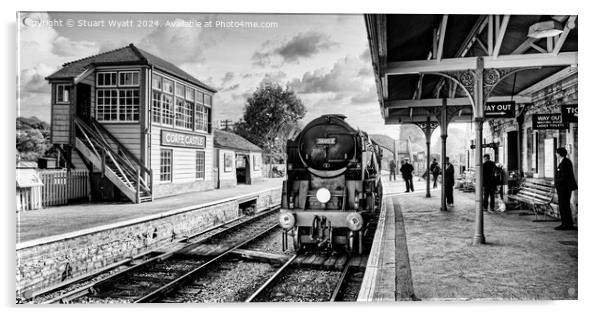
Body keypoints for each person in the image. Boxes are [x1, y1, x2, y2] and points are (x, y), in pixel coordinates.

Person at [554, 147, 577, 230]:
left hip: (564, 188)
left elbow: (564, 177)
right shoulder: (563, 162)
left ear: (559, 154)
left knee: (564, 206)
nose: (555, 154)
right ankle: (566, 223)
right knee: (564, 206)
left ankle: (566, 224)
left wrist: (556, 182)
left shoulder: (565, 163)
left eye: (556, 153)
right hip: (563, 188)